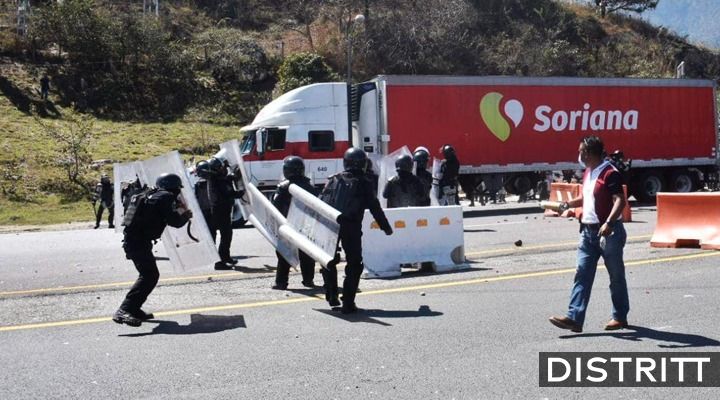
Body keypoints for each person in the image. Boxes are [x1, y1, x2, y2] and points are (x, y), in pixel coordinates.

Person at [549, 135, 629, 333]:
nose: (579, 155)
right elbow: (586, 197)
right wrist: (567, 205)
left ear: (589, 153)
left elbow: (620, 200)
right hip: (587, 232)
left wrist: (609, 223)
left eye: (581, 152)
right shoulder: (588, 172)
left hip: (608, 233)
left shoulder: (610, 173)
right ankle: (574, 318)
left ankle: (619, 316)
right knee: (582, 274)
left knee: (616, 275)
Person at [113, 173, 192, 327]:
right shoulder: (165, 197)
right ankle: (125, 309)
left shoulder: (148, 194)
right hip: (138, 242)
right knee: (149, 275)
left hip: (135, 240)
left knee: (149, 275)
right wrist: (186, 216)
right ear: (174, 187)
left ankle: (134, 309)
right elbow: (174, 222)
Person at [320, 148, 393, 314]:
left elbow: (321, 202)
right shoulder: (364, 183)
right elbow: (375, 208)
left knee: (328, 260)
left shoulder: (334, 179)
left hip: (331, 225)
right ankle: (348, 302)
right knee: (354, 264)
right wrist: (386, 227)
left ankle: (332, 295)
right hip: (351, 227)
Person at [271, 156, 318, 290]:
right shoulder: (309, 186)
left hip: (288, 223)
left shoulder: (283, 187)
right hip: (306, 224)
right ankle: (308, 280)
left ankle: (281, 282)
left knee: (284, 253)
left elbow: (276, 205)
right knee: (307, 254)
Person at [206, 157, 244, 270]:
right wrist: (241, 192)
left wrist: (231, 177)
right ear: (218, 168)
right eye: (222, 167)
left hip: (220, 210)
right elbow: (228, 193)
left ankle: (225, 257)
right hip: (220, 211)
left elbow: (225, 180)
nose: (224, 168)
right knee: (226, 236)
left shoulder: (215, 177)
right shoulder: (218, 180)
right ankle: (220, 262)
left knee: (226, 235)